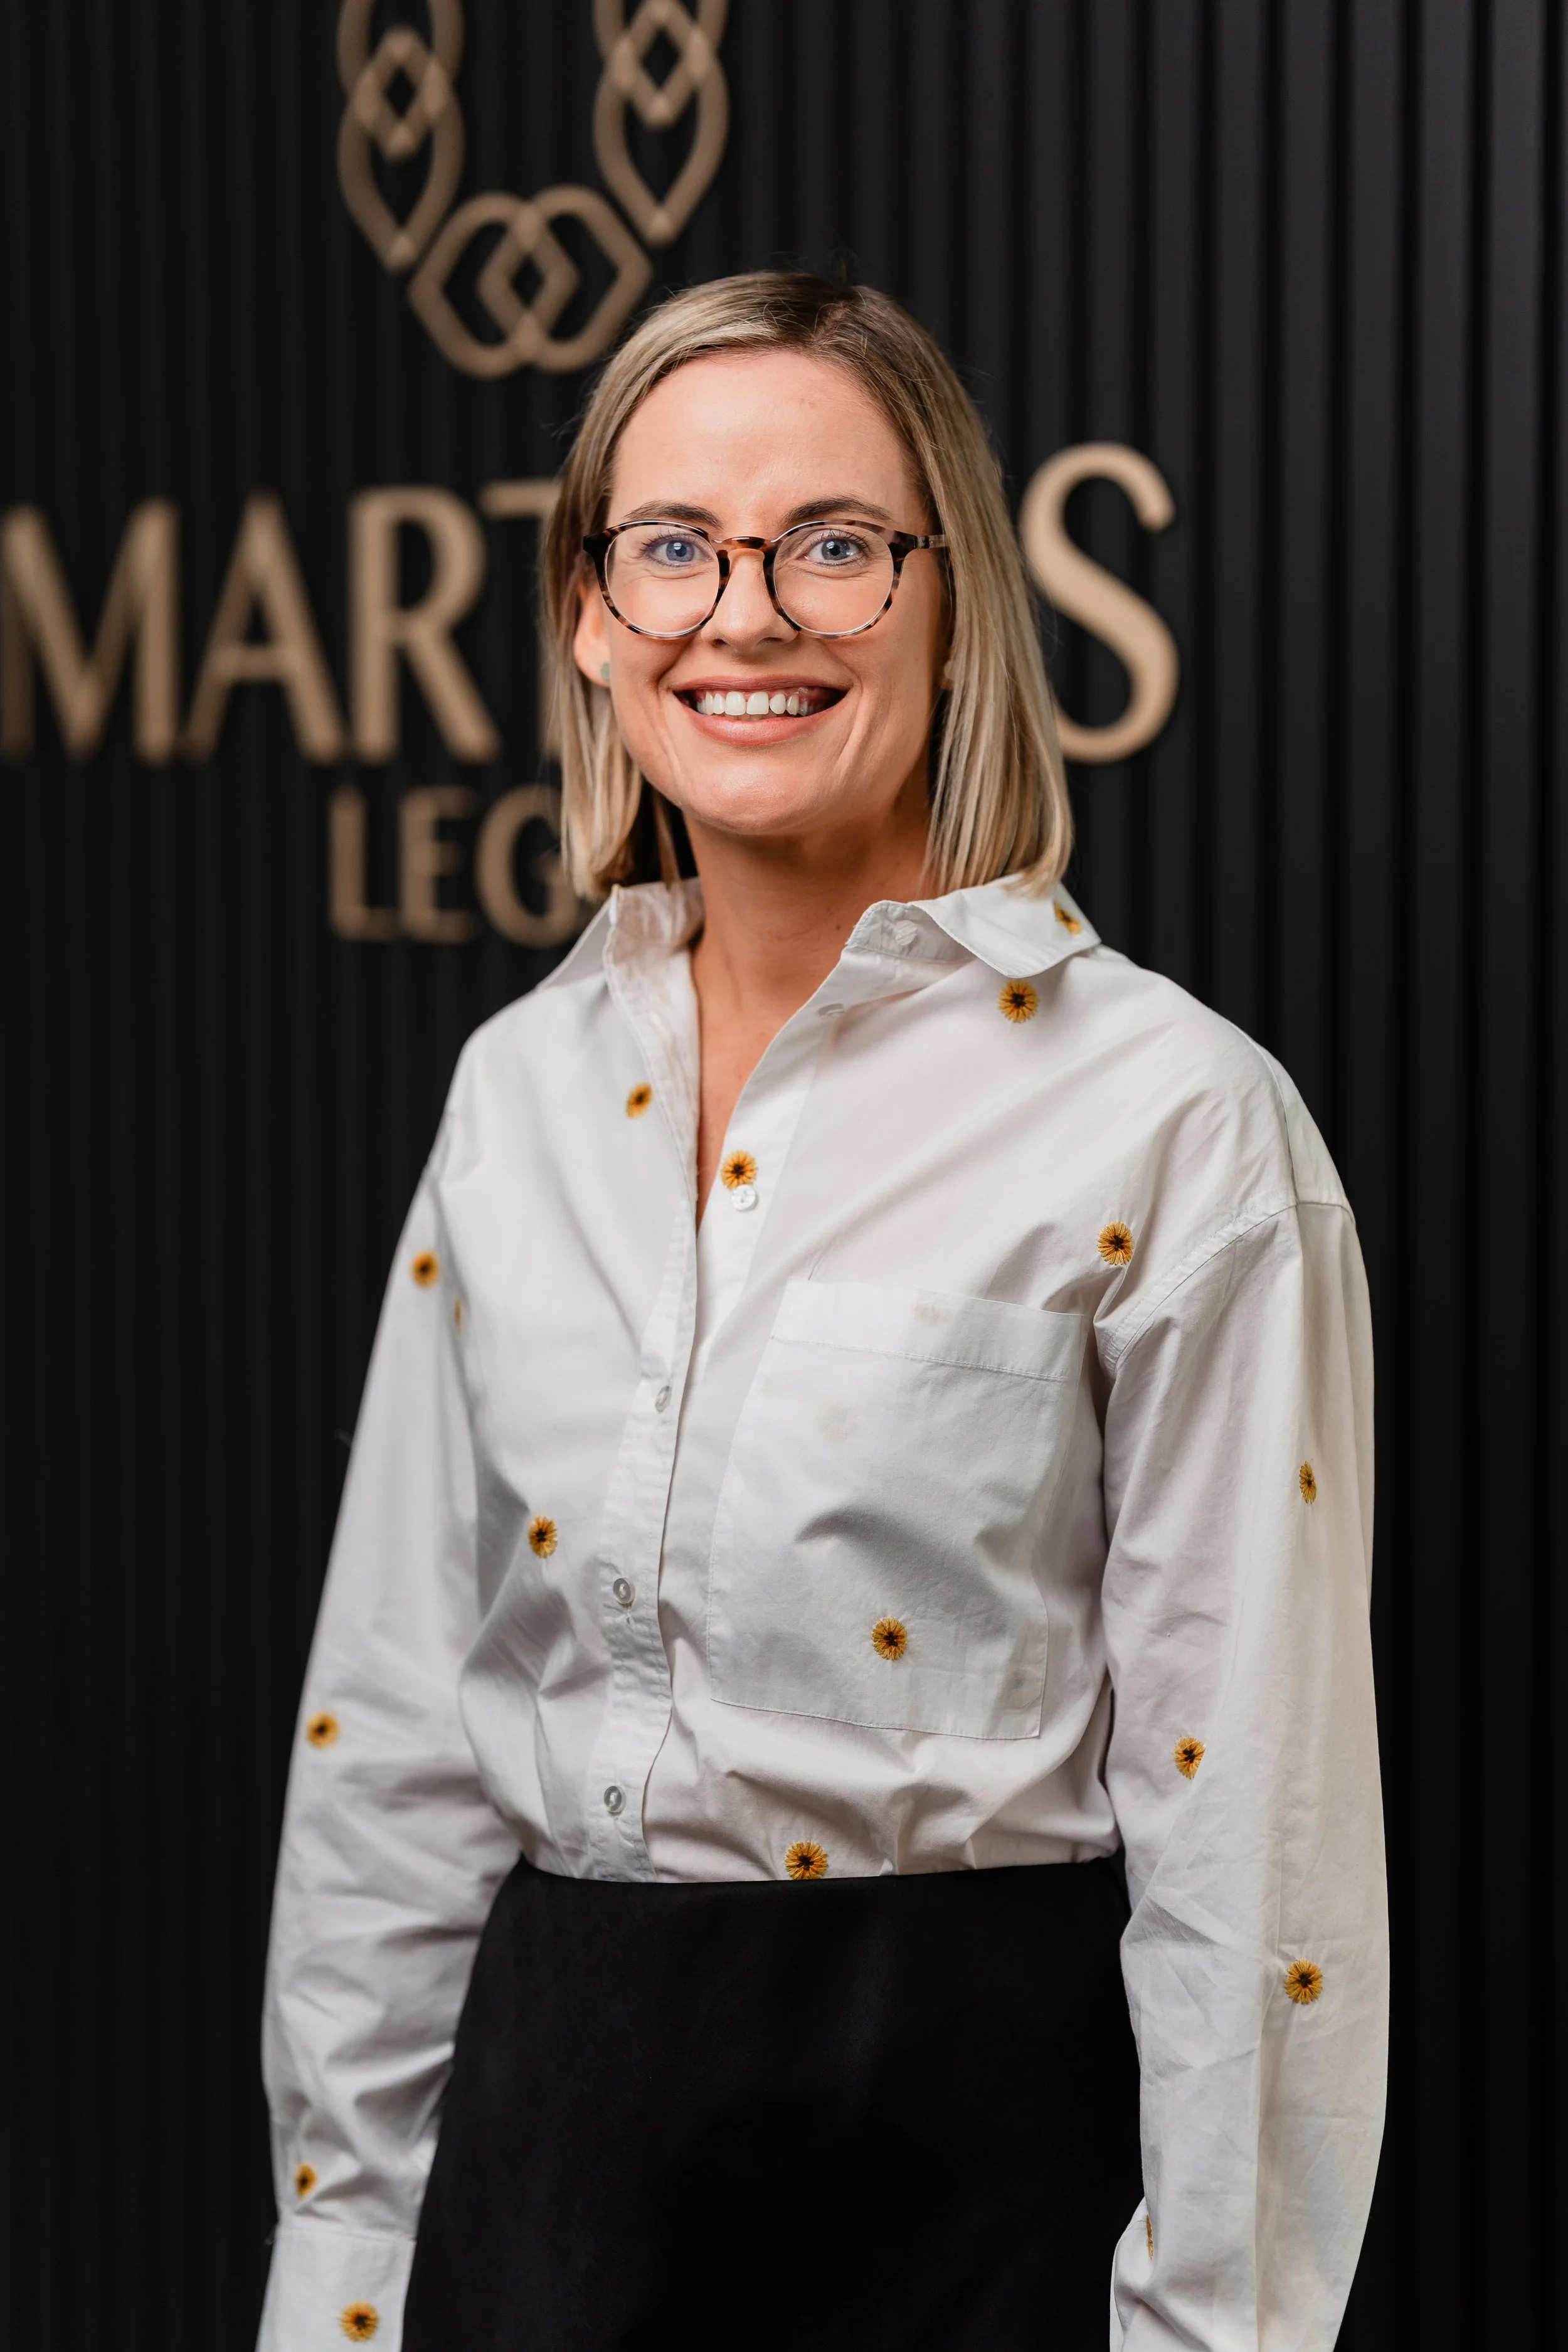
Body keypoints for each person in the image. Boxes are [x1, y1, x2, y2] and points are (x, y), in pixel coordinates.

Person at [256, 272, 1386, 2352]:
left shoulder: (1178, 1122)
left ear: (951, 604)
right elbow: (394, 1746)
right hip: (543, 2195)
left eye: (833, 547)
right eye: (670, 545)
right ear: (589, 612)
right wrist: (338, 2288)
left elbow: (1259, 1850)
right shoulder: (514, 1090)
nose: (741, 614)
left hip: (964, 2209)